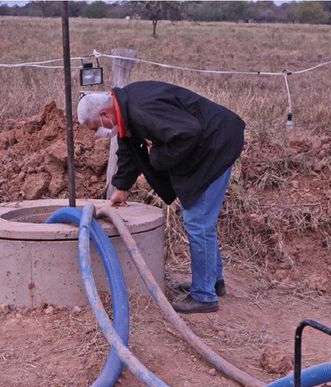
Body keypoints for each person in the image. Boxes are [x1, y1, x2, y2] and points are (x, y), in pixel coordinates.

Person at [77, 81, 245, 314]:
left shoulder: (141, 110)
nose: (99, 133)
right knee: (200, 219)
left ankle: (204, 296)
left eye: (96, 127)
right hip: (209, 144)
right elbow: (128, 146)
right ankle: (212, 283)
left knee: (198, 220)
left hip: (216, 144)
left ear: (105, 113)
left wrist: (156, 156)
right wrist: (122, 186)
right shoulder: (126, 107)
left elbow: (188, 133)